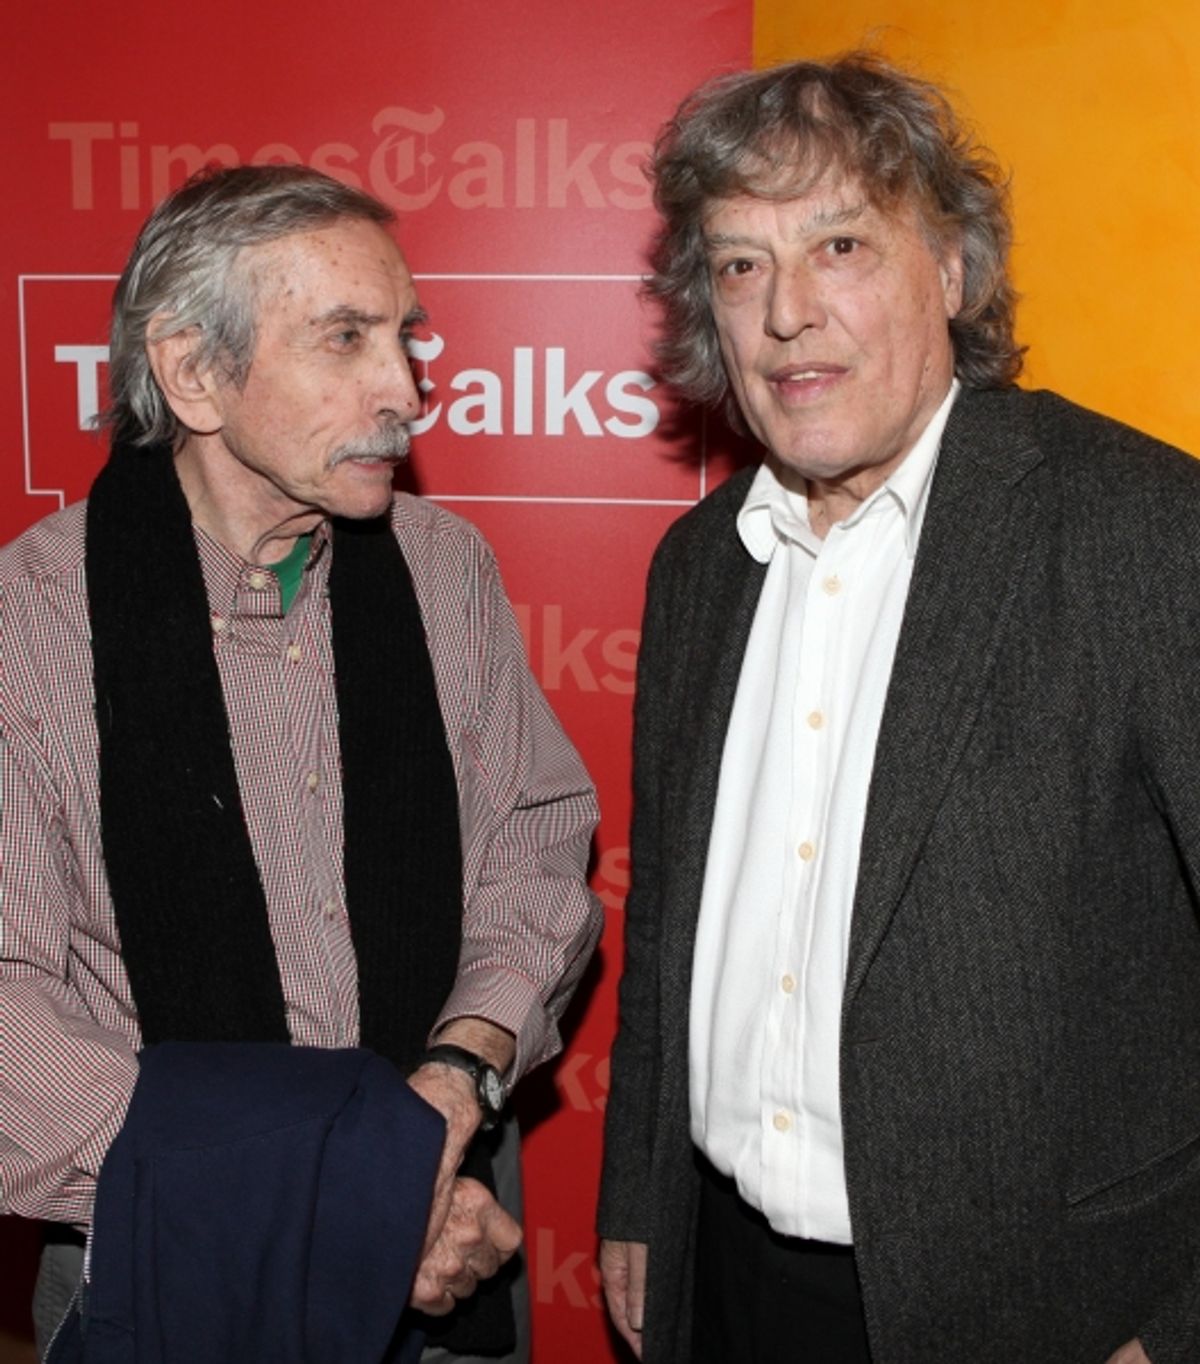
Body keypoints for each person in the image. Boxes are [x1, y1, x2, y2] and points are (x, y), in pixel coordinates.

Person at [597, 51, 1200, 1364]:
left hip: (1043, 1310)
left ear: (954, 270)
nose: (787, 313)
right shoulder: (699, 568)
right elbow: (669, 919)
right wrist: (642, 1195)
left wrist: (1178, 1323)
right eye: (741, 263)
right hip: (725, 1275)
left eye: (841, 247)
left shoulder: (1143, 530)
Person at [0, 163, 603, 1362]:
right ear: (192, 372)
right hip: (167, 1259)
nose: (408, 391)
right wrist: (341, 1195)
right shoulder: (32, 620)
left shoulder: (444, 569)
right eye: (345, 339)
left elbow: (535, 853)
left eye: (405, 337)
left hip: (449, 1226)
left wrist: (452, 1081)